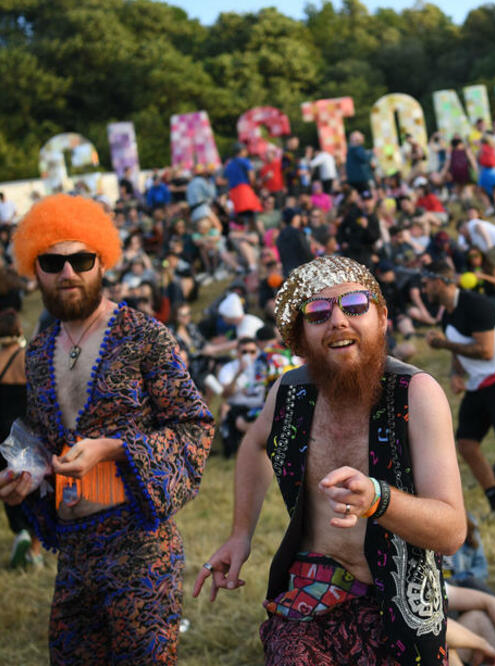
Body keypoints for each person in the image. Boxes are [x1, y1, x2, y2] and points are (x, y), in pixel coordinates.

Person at [195, 255, 465, 664]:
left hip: (400, 606)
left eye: (354, 306)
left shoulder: (416, 393)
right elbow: (254, 445)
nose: (338, 320)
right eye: (318, 313)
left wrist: (378, 499)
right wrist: (239, 534)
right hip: (310, 590)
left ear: (382, 317)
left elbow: (451, 531)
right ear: (302, 336)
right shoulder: (290, 392)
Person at [0, 194, 214, 664]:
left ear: (102, 261)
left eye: (81, 259)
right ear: (37, 269)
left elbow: (194, 428)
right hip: (74, 550)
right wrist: (27, 477)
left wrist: (111, 449)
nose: (68, 272)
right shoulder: (37, 351)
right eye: (53, 262)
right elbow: (42, 441)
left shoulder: (143, 336)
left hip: (139, 544)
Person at [423, 260, 495, 514]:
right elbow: (456, 347)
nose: (425, 289)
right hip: (478, 384)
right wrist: (455, 373)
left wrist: (443, 346)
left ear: (440, 282)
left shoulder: (476, 305)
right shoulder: (449, 314)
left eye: (427, 284)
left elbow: (484, 351)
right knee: (466, 445)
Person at [0, 309, 42, 568]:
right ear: (19, 332)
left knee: (9, 484)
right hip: (31, 431)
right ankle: (34, 548)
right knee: (34, 486)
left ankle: (20, 531)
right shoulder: (31, 361)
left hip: (1, 433)